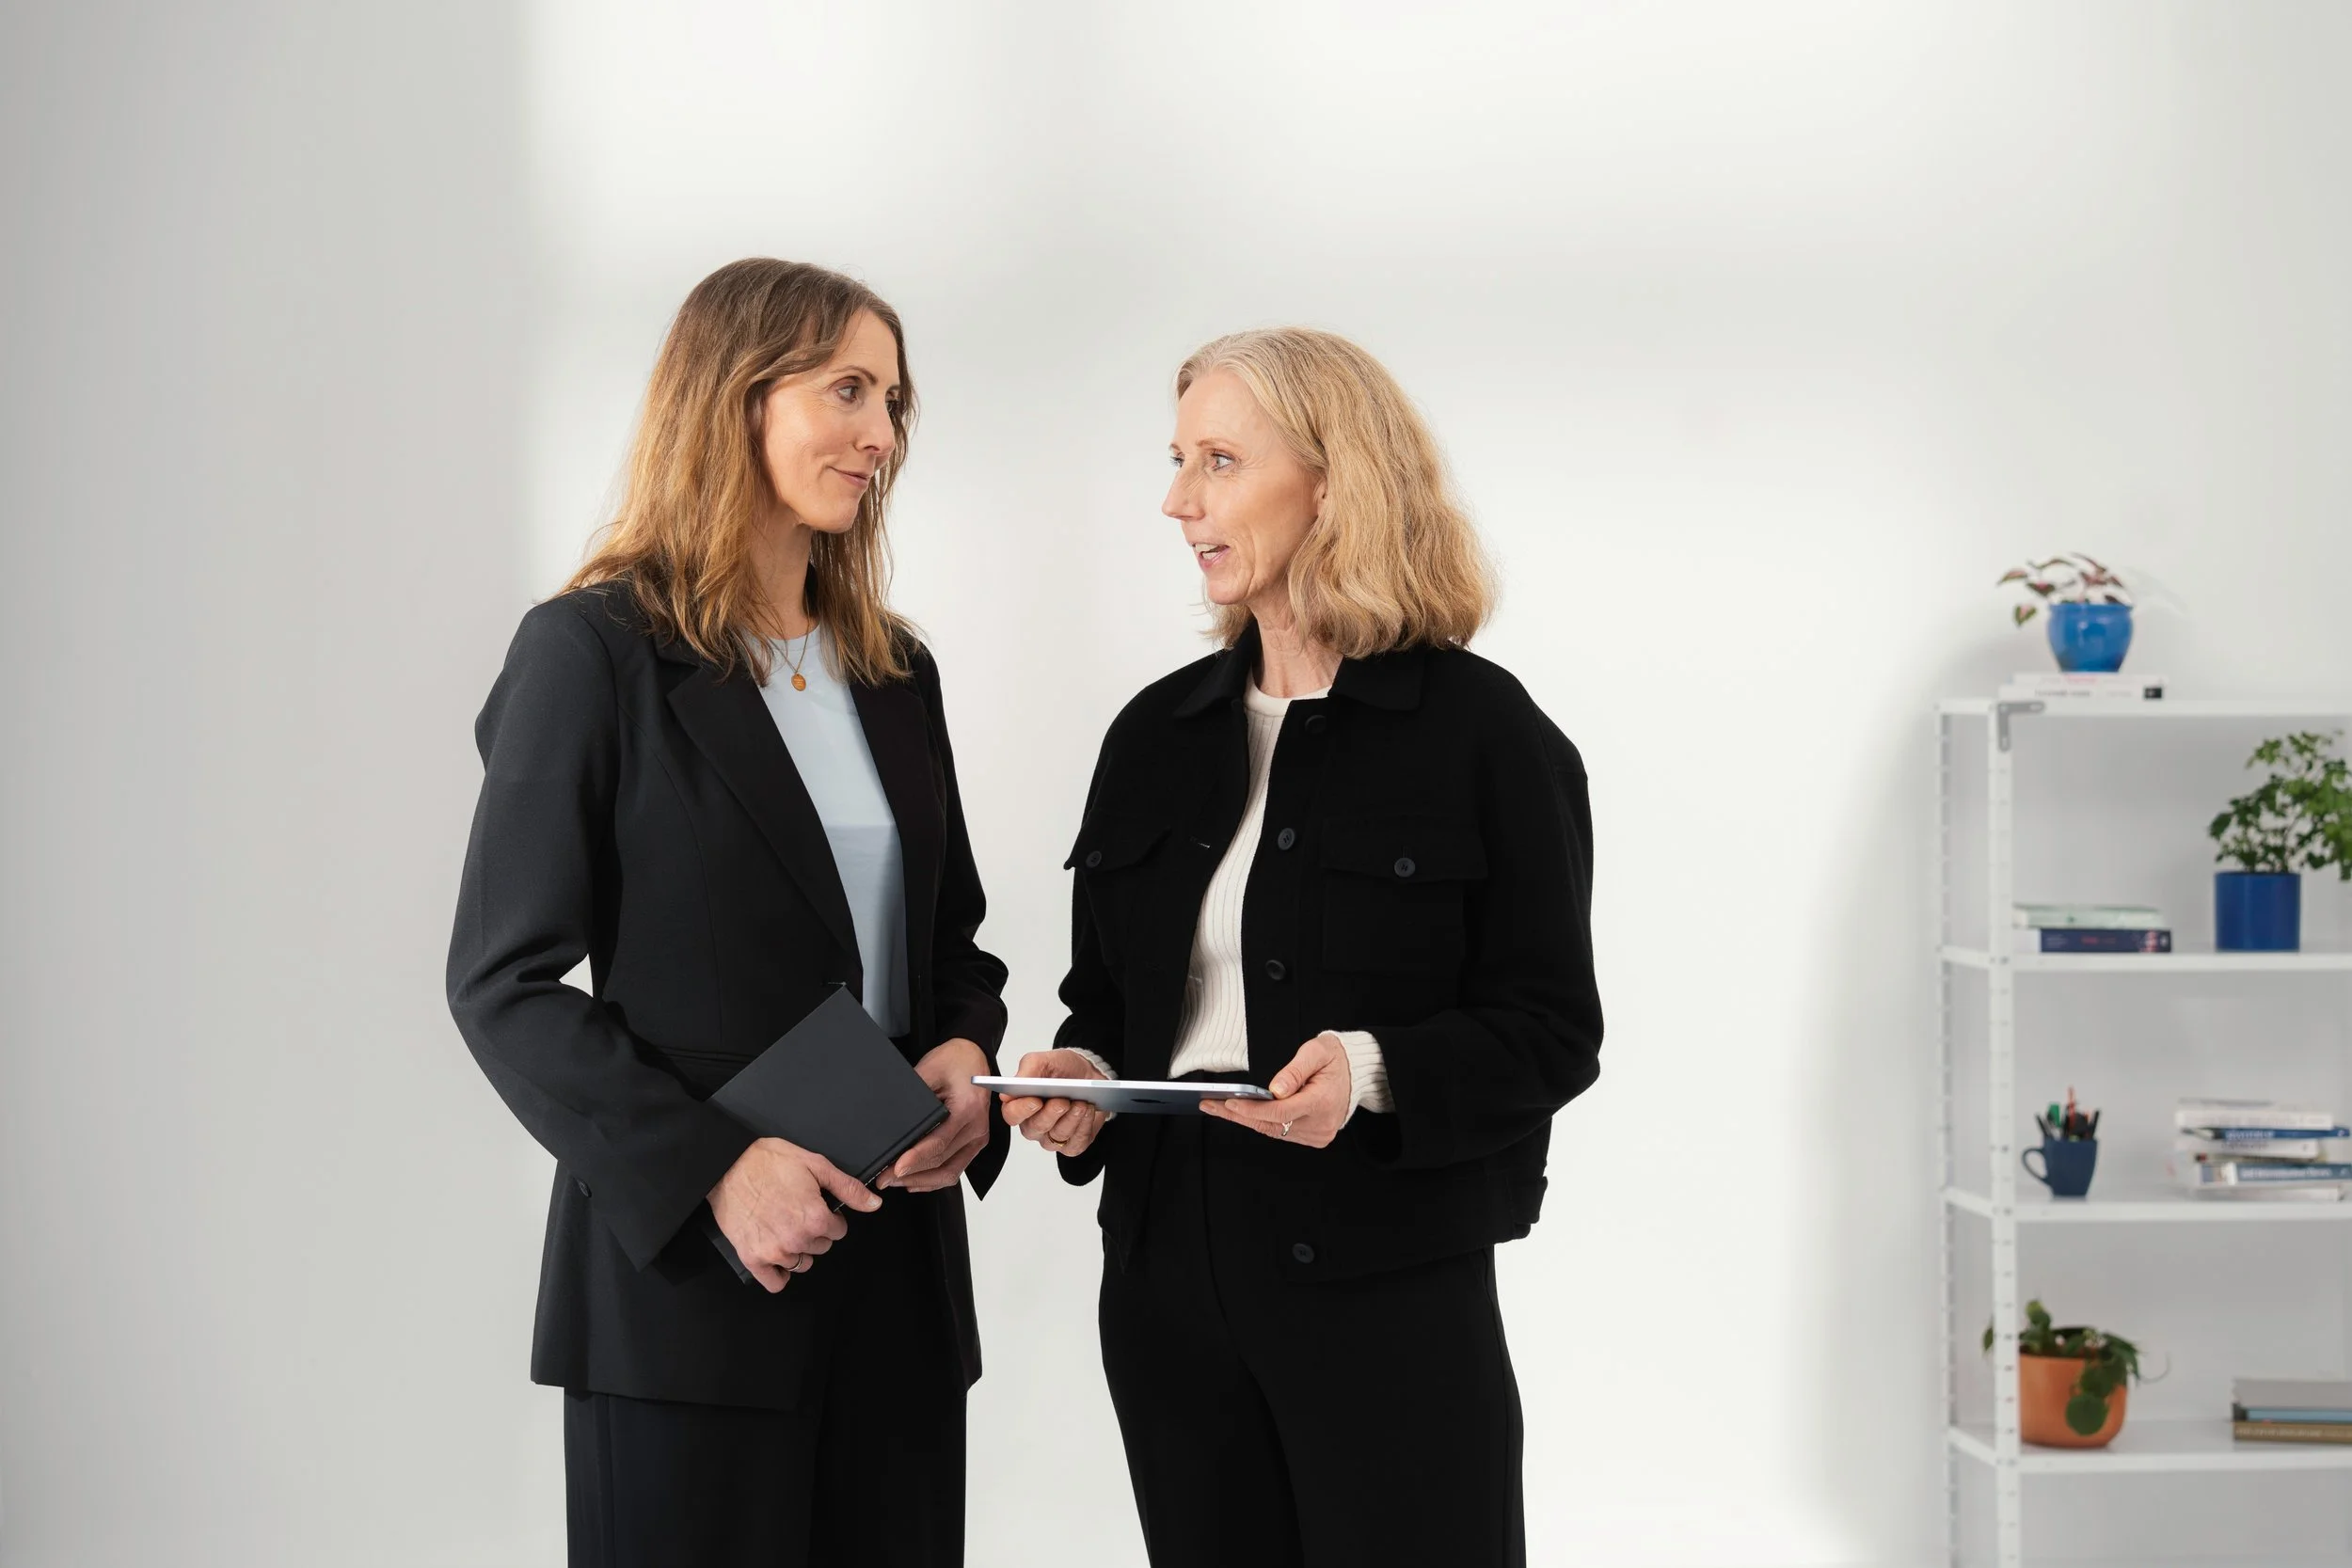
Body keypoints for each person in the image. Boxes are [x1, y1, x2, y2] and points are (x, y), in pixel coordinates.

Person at [999, 327, 1603, 1568]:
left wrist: (1370, 1069)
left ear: (1333, 479)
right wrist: (1083, 1077)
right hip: (1170, 1281)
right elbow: (1111, 1000)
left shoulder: (1485, 737)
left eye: (1218, 459)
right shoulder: (1153, 738)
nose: (1179, 501)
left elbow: (1552, 1026)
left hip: (1386, 1283)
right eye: (1178, 461)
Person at [448, 258, 1007, 1568]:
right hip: (697, 1290)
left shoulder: (892, 666)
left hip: (897, 1285)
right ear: (734, 396)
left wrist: (970, 1059)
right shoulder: (592, 654)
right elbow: (504, 981)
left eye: (896, 401)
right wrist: (711, 1172)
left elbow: (952, 946)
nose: (881, 434)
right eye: (848, 390)